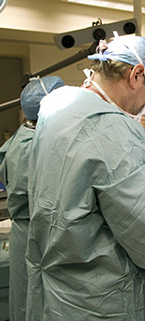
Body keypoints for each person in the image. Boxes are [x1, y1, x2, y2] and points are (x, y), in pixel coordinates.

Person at [25, 35, 145, 321]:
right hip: (111, 304)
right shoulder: (113, 130)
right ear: (136, 75)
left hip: (64, 299)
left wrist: (143, 185)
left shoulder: (58, 109)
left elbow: (82, 185)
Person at [0, 76, 65, 321]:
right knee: (37, 304)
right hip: (37, 236)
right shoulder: (35, 147)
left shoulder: (22, 137)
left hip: (26, 236)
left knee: (26, 302)